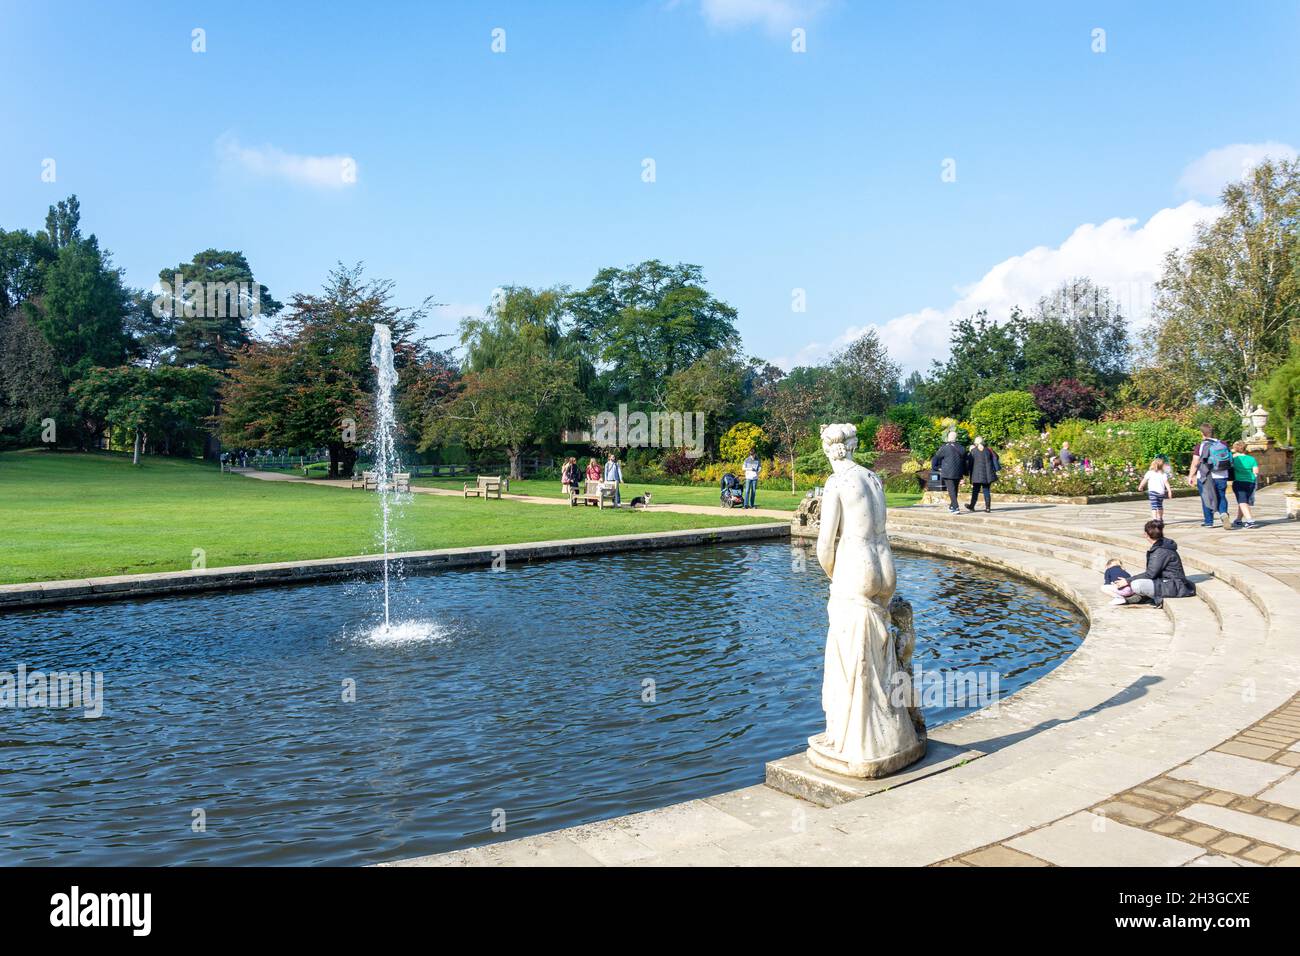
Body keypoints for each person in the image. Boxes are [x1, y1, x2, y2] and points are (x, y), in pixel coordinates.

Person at [1127, 519, 1196, 609]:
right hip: (1167, 582)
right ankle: (1144, 596)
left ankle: (1149, 596)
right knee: (1136, 583)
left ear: (1145, 534)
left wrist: (1127, 580)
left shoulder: (1161, 551)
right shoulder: (1162, 546)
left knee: (1136, 584)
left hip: (1175, 586)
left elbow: (1150, 574)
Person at [1187, 423, 1232, 530]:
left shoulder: (1201, 445)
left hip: (1206, 476)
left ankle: (1209, 521)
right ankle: (1223, 513)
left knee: (1206, 497)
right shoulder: (1223, 444)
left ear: (1202, 433)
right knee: (1221, 496)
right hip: (1222, 475)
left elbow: (1195, 462)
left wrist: (1191, 475)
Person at [930, 431, 966, 515]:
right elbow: (964, 458)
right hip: (958, 472)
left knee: (951, 490)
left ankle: (956, 507)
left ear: (948, 438)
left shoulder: (945, 448)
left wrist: (938, 467)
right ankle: (952, 506)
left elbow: (937, 456)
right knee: (955, 489)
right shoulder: (961, 448)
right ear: (956, 438)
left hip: (947, 472)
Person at [963, 436, 999, 513]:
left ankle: (972, 506)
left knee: (975, 491)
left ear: (975, 443)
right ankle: (988, 508)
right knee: (986, 491)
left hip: (977, 475)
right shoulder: (989, 450)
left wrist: (967, 472)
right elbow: (996, 457)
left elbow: (969, 464)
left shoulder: (973, 451)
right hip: (988, 475)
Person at [1230, 441, 1260, 529]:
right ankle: (1238, 520)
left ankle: (1250, 521)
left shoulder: (1234, 459)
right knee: (1243, 501)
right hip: (1251, 482)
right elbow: (1256, 472)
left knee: (1242, 502)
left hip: (1239, 482)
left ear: (1235, 449)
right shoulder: (1251, 459)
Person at [1137, 457, 1172, 522]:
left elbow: (1144, 481)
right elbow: (1166, 483)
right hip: (1161, 493)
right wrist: (1169, 491)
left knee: (1153, 506)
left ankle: (1155, 519)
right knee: (1160, 506)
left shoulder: (1149, 473)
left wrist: (1140, 487)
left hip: (1152, 492)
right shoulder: (1163, 474)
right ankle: (1160, 519)